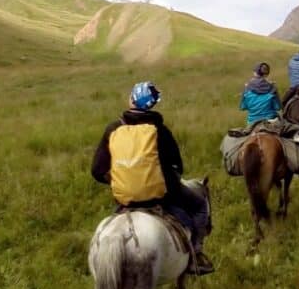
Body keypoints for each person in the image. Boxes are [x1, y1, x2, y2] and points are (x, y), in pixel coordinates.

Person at [91, 81, 214, 275]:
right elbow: (177, 166)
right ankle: (195, 256)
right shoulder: (161, 130)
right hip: (162, 195)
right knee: (199, 206)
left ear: (131, 100)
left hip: (126, 197)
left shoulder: (113, 128)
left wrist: (121, 179)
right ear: (152, 104)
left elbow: (97, 170)